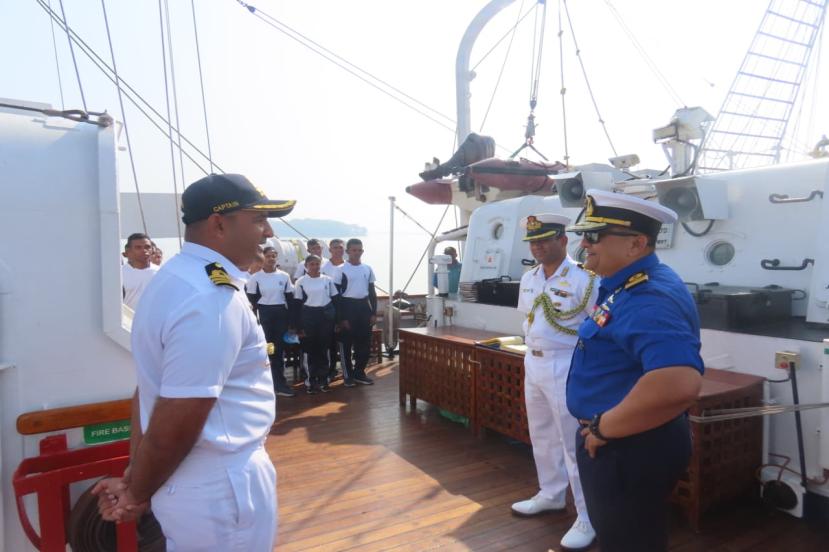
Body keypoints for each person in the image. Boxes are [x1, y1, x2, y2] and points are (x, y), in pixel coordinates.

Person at [93, 173, 296, 551]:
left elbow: (147, 390)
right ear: (219, 224)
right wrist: (136, 491)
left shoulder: (173, 280)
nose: (267, 232)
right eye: (257, 219)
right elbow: (179, 414)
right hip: (221, 491)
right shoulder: (209, 299)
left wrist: (137, 477)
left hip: (194, 486)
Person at [565, 189, 704, 551]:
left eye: (594, 235)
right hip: (631, 440)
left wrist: (601, 428)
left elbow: (679, 382)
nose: (584, 243)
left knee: (628, 540)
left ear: (636, 244)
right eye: (585, 233)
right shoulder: (625, 285)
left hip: (627, 445)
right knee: (630, 536)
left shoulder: (647, 297)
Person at [512, 214, 598, 551]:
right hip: (532, 362)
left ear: (563, 241)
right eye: (533, 241)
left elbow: (599, 326)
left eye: (545, 240)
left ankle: (587, 516)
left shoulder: (584, 280)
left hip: (566, 365)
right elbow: (529, 319)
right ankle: (550, 493)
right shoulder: (529, 278)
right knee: (542, 434)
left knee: (572, 442)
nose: (538, 246)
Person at [249, 246, 296, 398]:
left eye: (274, 256)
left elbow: (290, 299)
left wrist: (291, 323)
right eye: (268, 256)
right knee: (268, 350)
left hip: (281, 315)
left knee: (279, 350)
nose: (271, 258)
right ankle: (267, 383)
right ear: (263, 258)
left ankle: (280, 384)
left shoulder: (284, 276)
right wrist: (254, 322)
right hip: (265, 316)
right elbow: (252, 302)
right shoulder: (255, 278)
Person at [293, 254, 339, 394]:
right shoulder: (301, 282)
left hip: (325, 317)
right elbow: (297, 305)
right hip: (309, 317)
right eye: (311, 264)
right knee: (309, 350)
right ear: (306, 266)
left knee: (324, 349)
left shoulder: (328, 280)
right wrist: (298, 327)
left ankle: (324, 380)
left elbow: (335, 300)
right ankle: (310, 382)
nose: (314, 266)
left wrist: (337, 321)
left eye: (317, 264)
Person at [336, 238, 377, 387]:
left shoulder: (367, 268)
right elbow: (337, 296)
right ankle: (348, 375)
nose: (357, 253)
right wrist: (341, 318)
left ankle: (360, 372)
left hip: (363, 307)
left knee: (364, 344)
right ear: (347, 252)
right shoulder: (340, 270)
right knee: (346, 344)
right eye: (354, 250)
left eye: (359, 250)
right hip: (347, 306)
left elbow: (372, 292)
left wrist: (373, 312)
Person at [322, 238, 346, 380]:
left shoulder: (348, 266)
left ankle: (345, 369)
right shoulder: (324, 267)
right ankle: (330, 370)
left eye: (340, 247)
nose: (338, 250)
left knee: (344, 340)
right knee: (329, 341)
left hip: (346, 306)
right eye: (335, 247)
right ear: (330, 250)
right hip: (328, 307)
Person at [121, 232, 158, 310]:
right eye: (138, 247)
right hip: (126, 321)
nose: (144, 250)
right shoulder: (119, 274)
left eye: (147, 247)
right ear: (128, 251)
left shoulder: (161, 273)